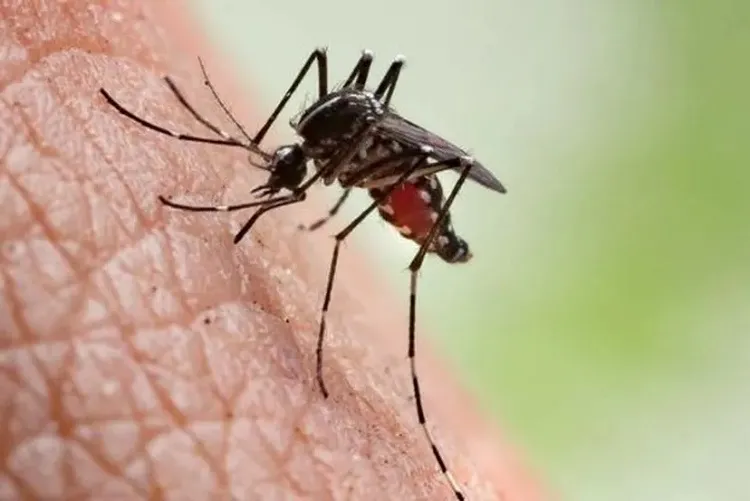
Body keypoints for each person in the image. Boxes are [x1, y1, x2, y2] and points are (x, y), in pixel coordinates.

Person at [0, 2, 542, 499]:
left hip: (410, 183)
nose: (283, 177)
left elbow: (406, 145)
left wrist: (338, 229)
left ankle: (417, 381)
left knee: (375, 159)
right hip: (369, 152)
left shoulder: (328, 140)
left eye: (285, 169)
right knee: (333, 68)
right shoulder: (315, 134)